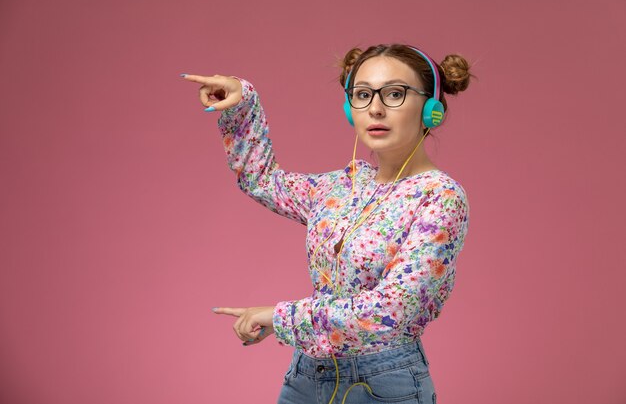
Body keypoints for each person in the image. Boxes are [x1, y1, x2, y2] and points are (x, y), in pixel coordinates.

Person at [182, 43, 473, 404]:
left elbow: (391, 311)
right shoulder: (340, 187)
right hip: (306, 376)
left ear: (432, 109)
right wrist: (243, 104)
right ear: (350, 109)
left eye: (395, 93)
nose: (376, 108)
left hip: (383, 386)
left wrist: (282, 317)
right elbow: (262, 181)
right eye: (362, 95)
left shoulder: (440, 196)